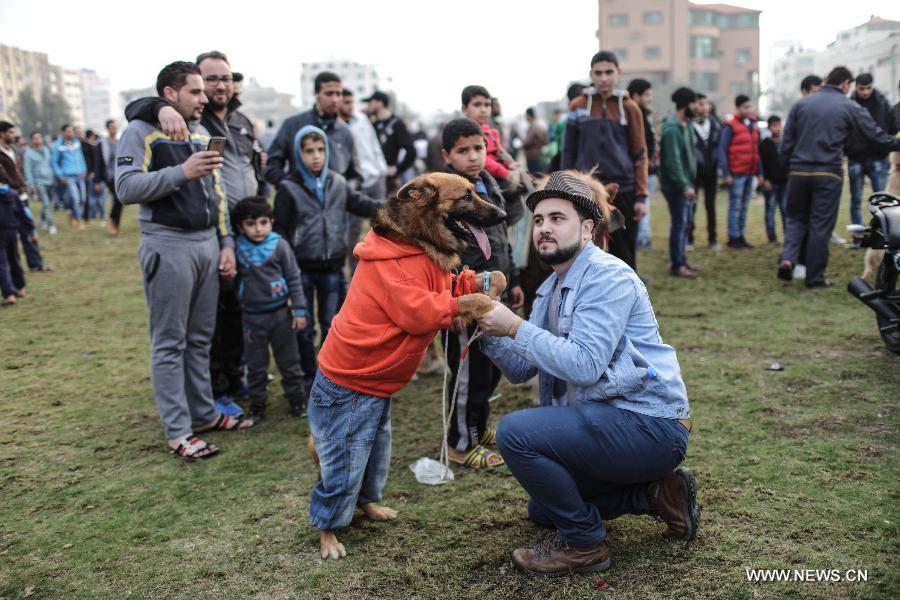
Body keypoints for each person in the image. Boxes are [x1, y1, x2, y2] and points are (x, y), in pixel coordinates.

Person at [474, 171, 697, 576]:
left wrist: (515, 326)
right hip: (609, 422)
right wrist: (483, 326)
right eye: (538, 220)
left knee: (514, 433)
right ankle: (656, 495)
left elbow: (585, 365)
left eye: (557, 218)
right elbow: (522, 368)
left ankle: (584, 545)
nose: (544, 228)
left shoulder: (607, 276)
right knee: (544, 509)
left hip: (649, 425)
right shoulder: (550, 288)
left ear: (588, 228)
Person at [115, 60, 252, 460]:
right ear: (170, 94)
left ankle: (204, 414)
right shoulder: (140, 130)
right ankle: (178, 430)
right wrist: (182, 171)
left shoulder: (202, 132)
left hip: (208, 245)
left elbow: (218, 194)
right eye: (195, 91)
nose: (204, 98)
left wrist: (226, 242)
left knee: (200, 339)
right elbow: (125, 188)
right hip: (168, 245)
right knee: (170, 342)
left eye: (204, 91)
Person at [440, 118, 523, 468]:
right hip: (465, 301)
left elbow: (502, 240)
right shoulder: (446, 198)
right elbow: (442, 258)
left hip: (494, 294)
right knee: (468, 374)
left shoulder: (488, 182)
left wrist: (513, 279)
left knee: (490, 370)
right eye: (463, 151)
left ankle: (477, 426)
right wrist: (453, 305)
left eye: (478, 148)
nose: (473, 156)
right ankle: (460, 444)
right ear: (447, 156)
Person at [272, 126, 381, 387]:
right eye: (309, 151)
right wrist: (284, 266)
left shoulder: (337, 182)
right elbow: (280, 231)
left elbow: (363, 204)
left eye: (320, 150)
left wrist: (395, 208)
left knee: (333, 324)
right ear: (298, 154)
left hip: (332, 267)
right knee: (304, 327)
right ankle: (308, 377)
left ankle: (331, 376)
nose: (316, 156)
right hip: (300, 269)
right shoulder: (288, 187)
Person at [778, 66, 900, 288]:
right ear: (845, 84)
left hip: (798, 171)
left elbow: (786, 143)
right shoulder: (848, 105)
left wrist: (787, 169)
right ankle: (814, 278)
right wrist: (896, 143)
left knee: (795, 219)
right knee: (820, 224)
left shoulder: (800, 104)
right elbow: (874, 135)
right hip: (827, 172)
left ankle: (788, 259)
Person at [562, 51, 648, 272]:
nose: (603, 78)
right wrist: (563, 187)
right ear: (591, 74)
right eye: (598, 73)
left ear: (618, 72)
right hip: (585, 190)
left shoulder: (630, 108)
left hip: (623, 189)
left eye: (609, 72)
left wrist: (641, 196)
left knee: (624, 252)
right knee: (583, 249)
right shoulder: (578, 105)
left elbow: (639, 154)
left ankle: (626, 290)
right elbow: (568, 152)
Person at [231, 196, 308, 420]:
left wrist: (299, 310)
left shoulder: (280, 245)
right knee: (256, 366)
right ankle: (257, 406)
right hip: (252, 318)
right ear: (240, 227)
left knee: (289, 362)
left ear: (271, 222)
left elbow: (293, 278)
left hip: (281, 316)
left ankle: (297, 401)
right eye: (251, 224)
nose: (258, 229)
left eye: (263, 222)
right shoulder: (236, 249)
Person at [265, 71, 355, 186]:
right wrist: (290, 188)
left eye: (338, 94)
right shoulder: (293, 125)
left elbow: (356, 174)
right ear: (316, 93)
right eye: (329, 94)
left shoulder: (346, 131)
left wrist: (343, 191)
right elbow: (272, 164)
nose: (334, 100)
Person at [339, 88, 388, 272]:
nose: (349, 106)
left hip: (374, 178)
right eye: (346, 102)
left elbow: (374, 145)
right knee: (353, 229)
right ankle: (355, 272)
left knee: (383, 224)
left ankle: (383, 267)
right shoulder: (335, 127)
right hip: (353, 184)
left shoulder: (361, 119)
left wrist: (382, 169)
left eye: (351, 102)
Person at [846, 73, 897, 228]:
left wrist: (887, 144)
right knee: (856, 199)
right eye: (862, 88)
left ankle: (883, 232)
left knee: (882, 200)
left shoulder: (882, 103)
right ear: (856, 87)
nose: (865, 92)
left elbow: (893, 126)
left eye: (868, 88)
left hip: (878, 157)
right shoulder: (849, 104)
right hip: (855, 157)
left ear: (872, 86)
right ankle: (857, 235)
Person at [659, 88, 699, 278]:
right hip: (676, 186)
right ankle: (677, 265)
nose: (698, 107)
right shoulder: (673, 129)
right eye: (695, 103)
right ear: (686, 104)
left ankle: (681, 259)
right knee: (680, 224)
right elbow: (672, 162)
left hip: (686, 183)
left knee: (686, 223)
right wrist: (684, 186)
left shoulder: (687, 124)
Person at [0, 122, 48, 271]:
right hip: (6, 198)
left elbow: (19, 170)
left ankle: (36, 263)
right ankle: (12, 267)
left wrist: (24, 186)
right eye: (10, 132)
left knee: (28, 229)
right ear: (1, 134)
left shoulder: (15, 150)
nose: (13, 135)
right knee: (10, 236)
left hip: (21, 195)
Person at [718, 95, 761, 249]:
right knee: (735, 205)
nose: (749, 110)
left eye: (750, 106)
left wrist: (760, 172)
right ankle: (733, 238)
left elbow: (757, 150)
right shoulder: (730, 126)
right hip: (736, 173)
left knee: (744, 206)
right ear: (738, 108)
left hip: (750, 172)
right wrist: (726, 173)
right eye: (745, 107)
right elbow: (722, 150)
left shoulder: (753, 125)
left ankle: (741, 236)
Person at [460, 85, 523, 191]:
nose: (483, 110)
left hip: (498, 177)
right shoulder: (465, 133)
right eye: (477, 104)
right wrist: (506, 173)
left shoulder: (492, 132)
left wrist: (510, 163)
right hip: (479, 180)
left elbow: (501, 154)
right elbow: (481, 159)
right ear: (464, 109)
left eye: (487, 105)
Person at [364, 91, 418, 191]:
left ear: (380, 103)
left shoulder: (396, 124)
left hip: (389, 181)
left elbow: (411, 151)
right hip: (373, 178)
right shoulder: (373, 124)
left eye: (370, 102)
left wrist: (397, 169)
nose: (368, 105)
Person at [627, 78, 656, 250]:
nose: (650, 99)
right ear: (636, 95)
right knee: (641, 207)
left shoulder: (645, 115)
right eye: (647, 95)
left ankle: (643, 238)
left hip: (648, 170)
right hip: (638, 172)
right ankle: (643, 240)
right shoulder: (632, 116)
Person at [690, 93, 721, 250]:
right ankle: (689, 238)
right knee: (692, 205)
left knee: (711, 205)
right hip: (694, 172)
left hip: (712, 171)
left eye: (706, 103)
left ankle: (713, 239)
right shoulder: (688, 126)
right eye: (700, 103)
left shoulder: (715, 125)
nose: (703, 107)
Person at [51, 124, 88, 230]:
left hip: (80, 174)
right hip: (68, 176)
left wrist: (84, 169)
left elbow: (81, 157)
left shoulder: (77, 143)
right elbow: (54, 162)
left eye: (72, 131)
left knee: (82, 199)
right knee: (75, 199)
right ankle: (78, 220)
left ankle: (72, 213)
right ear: (63, 132)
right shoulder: (57, 145)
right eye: (68, 131)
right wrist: (60, 175)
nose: (70, 133)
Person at [759, 115, 788, 244]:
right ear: (769, 127)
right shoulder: (765, 144)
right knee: (770, 210)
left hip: (785, 182)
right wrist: (764, 179)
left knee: (785, 210)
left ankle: (788, 236)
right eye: (774, 126)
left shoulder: (786, 142)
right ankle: (772, 237)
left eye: (779, 125)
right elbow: (761, 163)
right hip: (771, 183)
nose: (777, 128)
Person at [0, 183, 29, 305]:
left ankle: (9, 294)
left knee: (1, 264)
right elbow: (23, 212)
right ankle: (20, 288)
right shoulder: (13, 193)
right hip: (12, 231)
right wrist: (30, 228)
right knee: (14, 259)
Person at [24, 132, 57, 235]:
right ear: (31, 140)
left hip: (50, 180)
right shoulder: (28, 154)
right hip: (39, 182)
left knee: (49, 203)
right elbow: (27, 170)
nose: (37, 140)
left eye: (39, 137)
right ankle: (51, 225)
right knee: (46, 204)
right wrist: (31, 185)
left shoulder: (46, 150)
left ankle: (42, 220)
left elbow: (51, 164)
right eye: (35, 138)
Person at [99, 120, 123, 236]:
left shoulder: (120, 142)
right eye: (112, 127)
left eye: (115, 127)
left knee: (120, 200)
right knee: (119, 198)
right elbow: (98, 161)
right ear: (107, 129)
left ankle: (115, 224)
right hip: (109, 177)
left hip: (120, 174)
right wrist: (97, 180)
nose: (114, 129)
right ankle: (112, 221)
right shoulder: (102, 143)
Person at [81, 130, 106, 223]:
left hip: (89, 174)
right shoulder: (93, 146)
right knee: (98, 197)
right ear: (91, 136)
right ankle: (98, 216)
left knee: (90, 197)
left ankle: (91, 216)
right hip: (94, 174)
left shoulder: (83, 146)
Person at [523, 107, 548, 175]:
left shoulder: (534, 126)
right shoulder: (540, 124)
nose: (525, 117)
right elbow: (546, 141)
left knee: (535, 176)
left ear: (529, 115)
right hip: (539, 154)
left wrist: (522, 144)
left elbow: (527, 142)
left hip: (533, 156)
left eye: (525, 115)